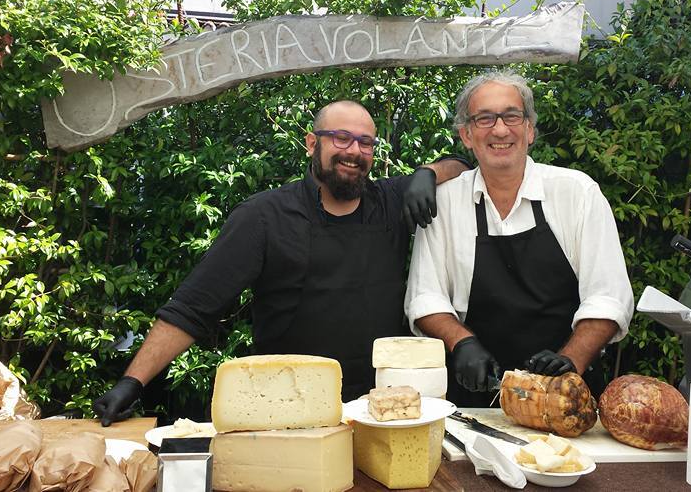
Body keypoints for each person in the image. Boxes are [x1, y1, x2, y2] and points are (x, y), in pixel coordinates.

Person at [93, 100, 470, 425]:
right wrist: (132, 381)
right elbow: (192, 308)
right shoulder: (263, 216)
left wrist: (427, 173)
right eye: (341, 138)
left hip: (377, 408)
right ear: (312, 143)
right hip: (286, 407)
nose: (354, 151)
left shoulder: (390, 200)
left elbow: (461, 164)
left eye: (365, 142)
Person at [405, 71, 634, 407]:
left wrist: (570, 360)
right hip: (475, 399)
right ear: (466, 135)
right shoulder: (445, 202)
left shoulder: (576, 193)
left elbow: (608, 297)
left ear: (529, 129)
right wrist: (461, 342)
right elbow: (425, 296)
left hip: (566, 398)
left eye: (511, 116)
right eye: (484, 118)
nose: (500, 130)